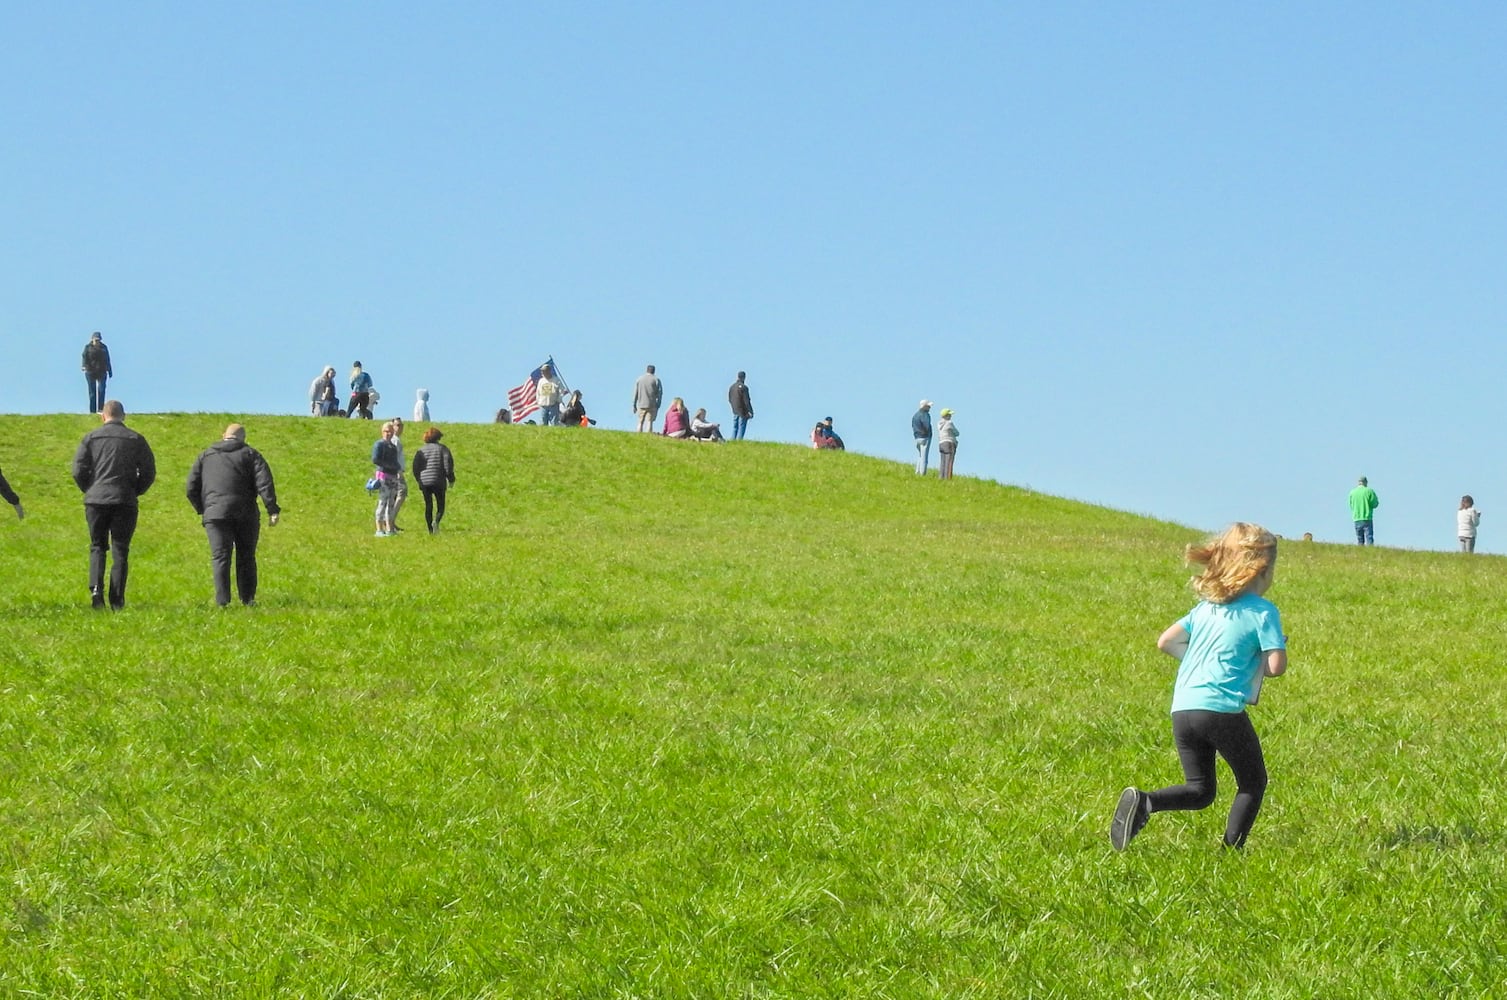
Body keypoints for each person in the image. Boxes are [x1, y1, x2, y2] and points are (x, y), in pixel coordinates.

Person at [1110, 523, 1287, 852]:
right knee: (1253, 783)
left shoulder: (1206, 608)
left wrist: (1202, 663)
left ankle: (1145, 802)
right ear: (1262, 570)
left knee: (1201, 791)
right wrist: (1266, 655)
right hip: (1221, 710)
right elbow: (1275, 668)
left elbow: (1166, 641)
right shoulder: (1263, 612)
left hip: (1184, 708)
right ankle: (1230, 853)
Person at [71, 400, 156, 609]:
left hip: (96, 500)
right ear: (123, 416)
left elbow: (78, 470)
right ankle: (117, 598)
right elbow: (149, 472)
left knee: (97, 546)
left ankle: (96, 590)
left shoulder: (90, 438)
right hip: (124, 500)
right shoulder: (136, 439)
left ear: (103, 417)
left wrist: (89, 488)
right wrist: (135, 490)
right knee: (120, 549)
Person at [185, 423, 281, 607]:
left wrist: (204, 508)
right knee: (246, 556)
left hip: (215, 514)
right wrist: (272, 509)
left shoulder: (206, 455)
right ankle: (247, 599)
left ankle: (222, 602)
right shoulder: (251, 454)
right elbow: (265, 483)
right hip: (246, 513)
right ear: (243, 438)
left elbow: (191, 487)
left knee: (220, 556)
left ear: (223, 435)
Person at [412, 427, 456, 534]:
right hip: (438, 481)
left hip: (425, 482)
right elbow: (448, 466)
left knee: (428, 505)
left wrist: (419, 479)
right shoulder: (443, 449)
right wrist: (451, 479)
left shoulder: (421, 450)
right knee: (440, 505)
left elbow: (415, 467)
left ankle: (430, 530)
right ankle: (436, 521)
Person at [370, 421, 402, 536]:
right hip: (383, 475)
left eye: (390, 431)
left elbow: (395, 461)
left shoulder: (393, 447)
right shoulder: (379, 444)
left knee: (391, 503)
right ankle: (379, 528)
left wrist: (398, 468)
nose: (388, 434)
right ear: (382, 432)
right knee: (382, 502)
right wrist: (389, 465)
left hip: (393, 476)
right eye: (386, 431)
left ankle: (390, 528)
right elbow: (375, 459)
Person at [81, 332, 113, 414]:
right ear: (92, 340)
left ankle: (101, 409)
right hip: (90, 372)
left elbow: (107, 359)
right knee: (92, 392)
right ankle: (92, 411)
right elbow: (84, 357)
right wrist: (84, 366)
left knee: (101, 390)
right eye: (95, 340)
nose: (97, 342)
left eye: (98, 340)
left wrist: (110, 371)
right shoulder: (87, 348)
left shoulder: (104, 348)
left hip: (102, 371)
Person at [389, 417, 409, 531]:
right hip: (396, 472)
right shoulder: (395, 440)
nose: (400, 428)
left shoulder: (396, 439)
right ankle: (390, 520)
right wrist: (398, 471)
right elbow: (394, 457)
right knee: (402, 492)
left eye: (401, 425)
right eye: (397, 425)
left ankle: (391, 521)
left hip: (395, 471)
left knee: (395, 496)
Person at [1348, 476, 1380, 545]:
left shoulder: (1352, 492)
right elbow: (1375, 504)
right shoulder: (1369, 491)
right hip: (1367, 517)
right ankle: (1370, 552)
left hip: (1357, 518)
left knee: (1360, 539)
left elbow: (1351, 505)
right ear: (1365, 482)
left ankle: (1360, 552)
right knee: (1369, 537)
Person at [633, 364, 663, 432]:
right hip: (652, 404)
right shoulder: (656, 380)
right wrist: (658, 403)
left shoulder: (639, 379)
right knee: (650, 421)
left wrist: (634, 404)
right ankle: (648, 434)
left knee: (640, 421)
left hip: (641, 403)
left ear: (646, 370)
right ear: (654, 371)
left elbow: (635, 393)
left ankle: (639, 434)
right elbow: (660, 393)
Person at [728, 371, 753, 440]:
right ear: (744, 378)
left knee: (735, 427)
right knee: (741, 426)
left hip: (735, 410)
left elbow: (729, 399)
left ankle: (733, 439)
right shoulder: (744, 388)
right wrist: (750, 411)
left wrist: (733, 408)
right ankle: (739, 440)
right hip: (743, 411)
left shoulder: (732, 387)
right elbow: (746, 401)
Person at [937, 407, 959, 480]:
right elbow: (957, 433)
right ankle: (948, 478)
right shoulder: (949, 423)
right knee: (949, 461)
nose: (950, 416)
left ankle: (941, 477)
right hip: (949, 443)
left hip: (941, 443)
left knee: (943, 461)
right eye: (949, 415)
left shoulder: (939, 424)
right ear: (946, 416)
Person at [912, 400, 933, 475]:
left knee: (920, 455)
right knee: (924, 457)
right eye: (928, 406)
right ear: (925, 406)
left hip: (917, 437)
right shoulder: (925, 415)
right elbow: (926, 426)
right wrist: (928, 434)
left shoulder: (915, 415)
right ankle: (922, 473)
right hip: (925, 437)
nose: (929, 408)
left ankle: (917, 471)